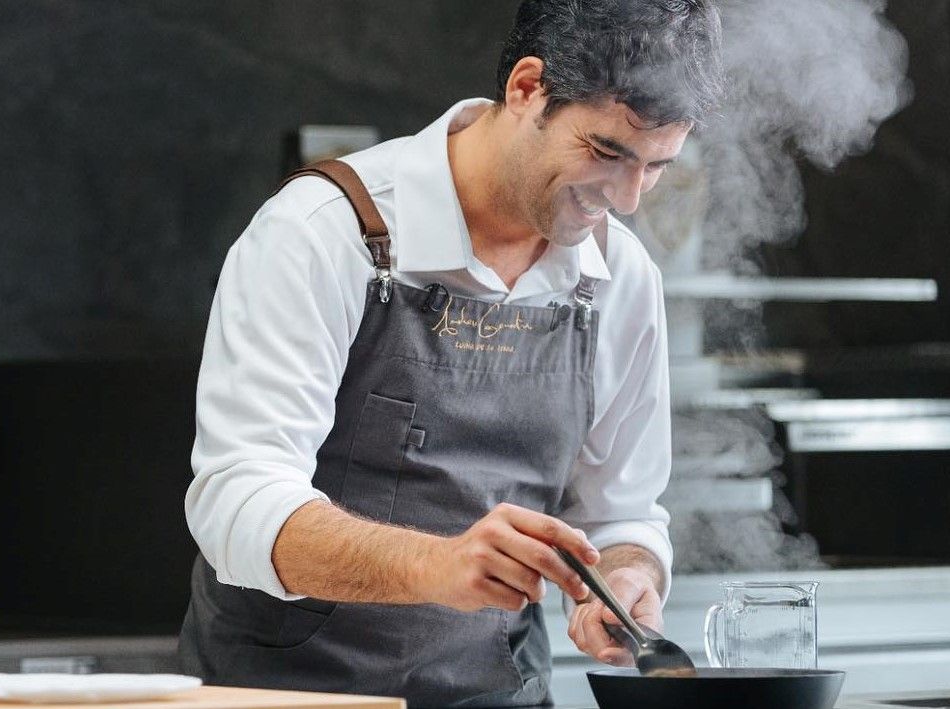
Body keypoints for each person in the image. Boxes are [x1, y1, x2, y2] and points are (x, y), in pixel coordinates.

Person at [178, 1, 725, 705]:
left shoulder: (621, 277)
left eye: (656, 167)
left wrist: (624, 578)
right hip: (289, 695)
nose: (625, 199)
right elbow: (237, 499)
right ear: (527, 88)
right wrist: (438, 565)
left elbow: (621, 513)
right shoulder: (321, 232)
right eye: (607, 152)